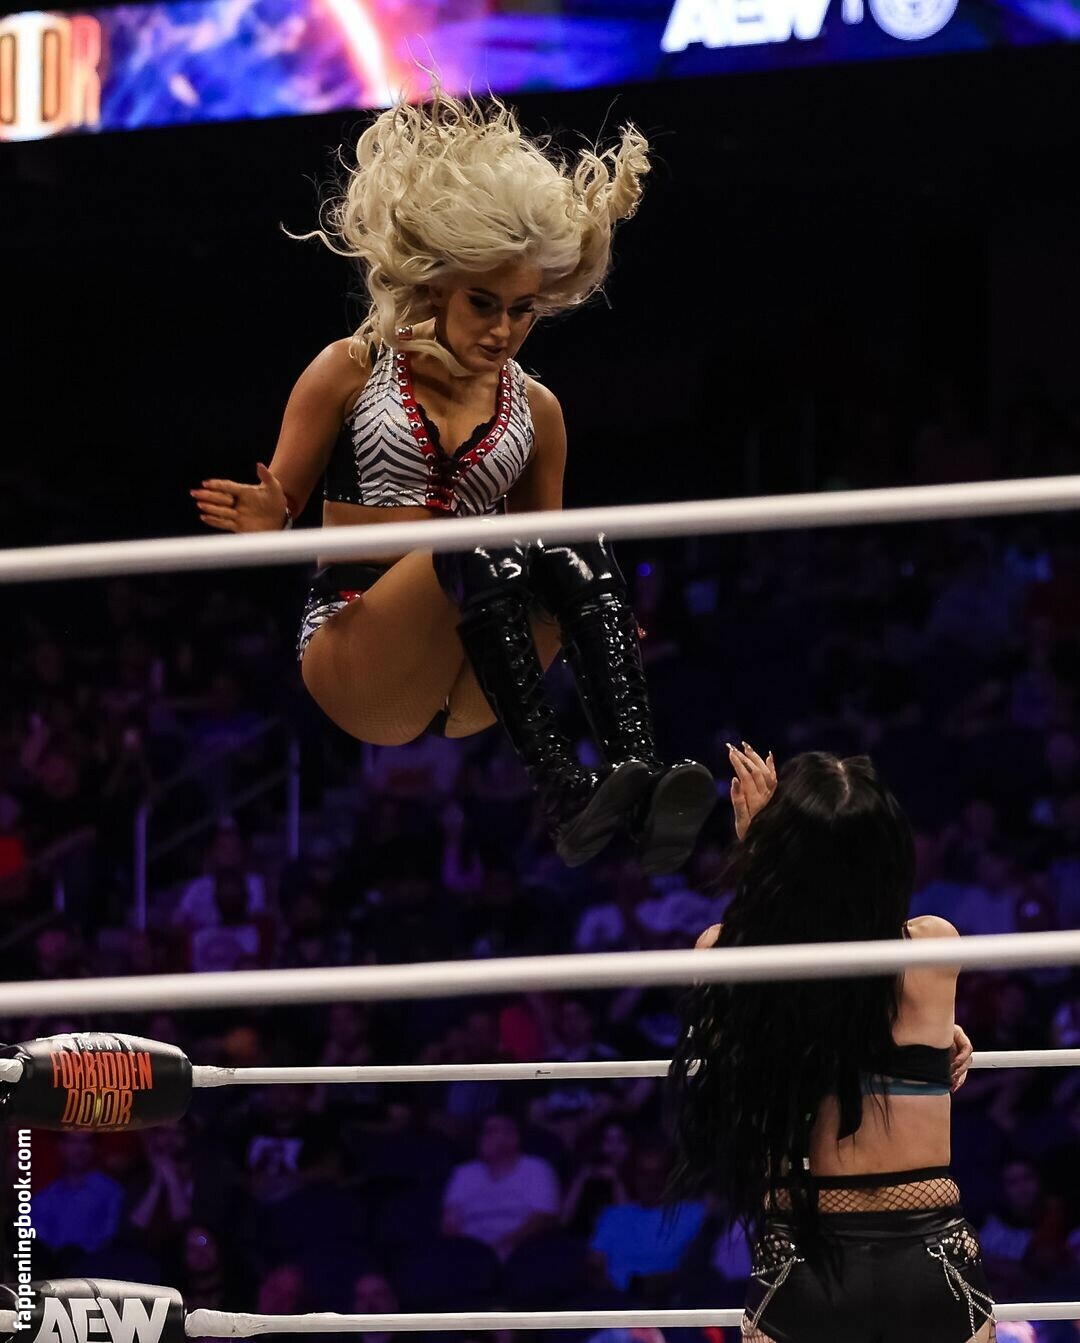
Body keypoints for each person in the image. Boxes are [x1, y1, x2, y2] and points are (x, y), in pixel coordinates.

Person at [191, 87, 714, 873]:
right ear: (437, 285)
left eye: (523, 310)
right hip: (358, 649)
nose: (502, 330)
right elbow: (284, 502)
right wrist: (271, 515)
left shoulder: (539, 410)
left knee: (571, 545)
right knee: (480, 544)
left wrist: (595, 606)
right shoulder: (351, 368)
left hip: (474, 679)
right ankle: (561, 785)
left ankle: (640, 776)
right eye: (483, 303)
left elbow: (548, 544)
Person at [669, 746, 991, 1343]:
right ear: (889, 854)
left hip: (801, 1256)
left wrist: (762, 856)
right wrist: (935, 1037)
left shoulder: (724, 953)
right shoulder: (934, 947)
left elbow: (803, 1001)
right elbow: (858, 1001)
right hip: (927, 1255)